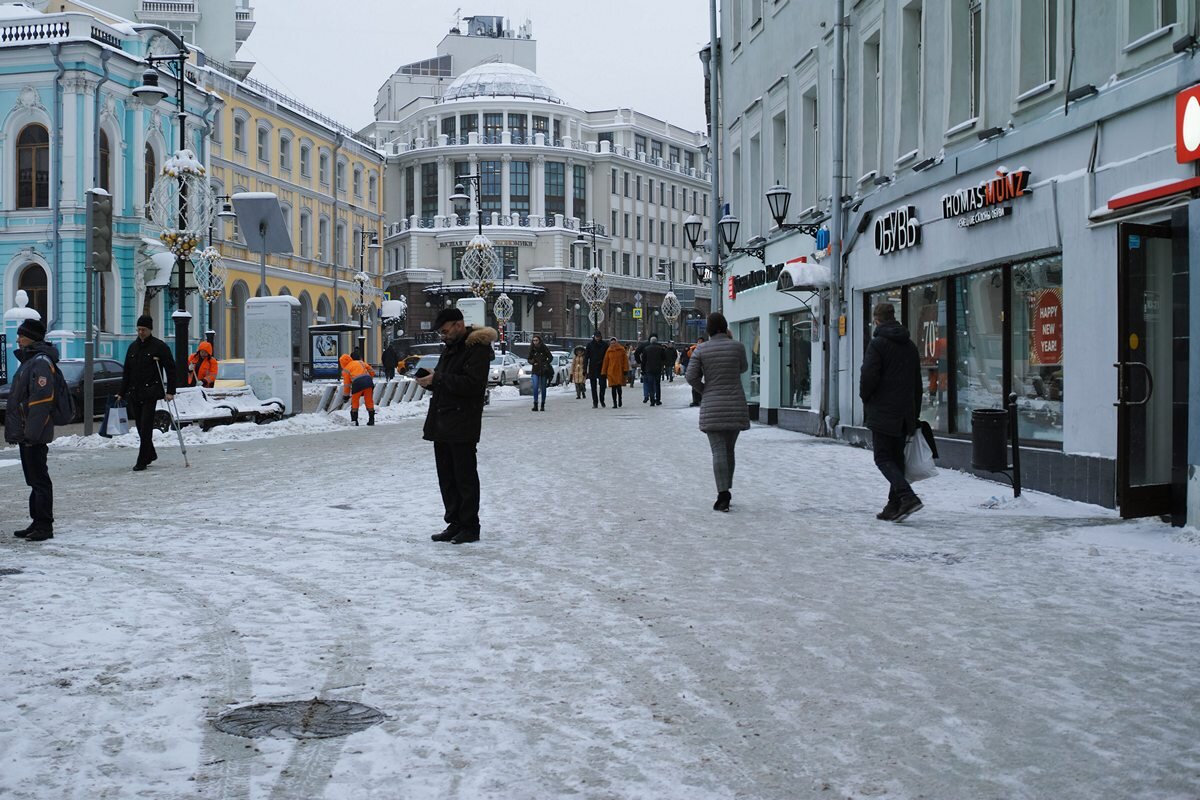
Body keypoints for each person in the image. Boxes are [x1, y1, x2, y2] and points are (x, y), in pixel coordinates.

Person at [416, 307, 496, 544]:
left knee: (464, 477)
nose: (443, 335)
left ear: (459, 324)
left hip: (462, 423)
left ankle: (470, 525)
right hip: (442, 423)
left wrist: (438, 378)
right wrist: (431, 380)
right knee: (447, 477)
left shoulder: (477, 349)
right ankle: (455, 522)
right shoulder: (451, 348)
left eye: (445, 330)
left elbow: (473, 385)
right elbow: (448, 381)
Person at [859, 301, 924, 522]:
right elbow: (917, 383)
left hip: (883, 411)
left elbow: (868, 377)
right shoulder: (910, 345)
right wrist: (914, 413)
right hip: (904, 412)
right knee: (896, 460)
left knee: (882, 457)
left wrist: (866, 399)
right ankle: (893, 505)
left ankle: (907, 497)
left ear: (876, 319)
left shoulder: (877, 344)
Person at [686, 313, 749, 512]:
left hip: (713, 405)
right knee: (729, 449)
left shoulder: (701, 349)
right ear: (725, 327)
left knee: (718, 451)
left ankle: (723, 494)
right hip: (735, 404)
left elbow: (690, 376)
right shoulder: (737, 347)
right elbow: (744, 367)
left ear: (708, 329)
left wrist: (705, 390)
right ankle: (727, 489)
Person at [5, 318, 57, 541]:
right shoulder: (31, 361)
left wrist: (31, 433)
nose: (17, 340)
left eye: (21, 335)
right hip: (28, 432)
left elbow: (41, 401)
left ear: (32, 338)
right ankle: (37, 521)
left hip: (34, 433)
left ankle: (44, 526)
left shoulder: (40, 362)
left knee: (39, 478)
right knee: (33, 479)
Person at [117, 315, 175, 472]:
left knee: (146, 425)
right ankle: (151, 453)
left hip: (151, 392)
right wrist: (121, 392)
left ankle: (142, 460)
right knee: (139, 426)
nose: (141, 332)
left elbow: (170, 369)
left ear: (150, 330)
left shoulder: (159, 347)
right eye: (139, 329)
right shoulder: (132, 348)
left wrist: (170, 391)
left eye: (143, 330)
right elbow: (127, 372)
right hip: (135, 393)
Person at [340, 350, 376, 426]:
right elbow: (371, 371)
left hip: (357, 384)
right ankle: (371, 420)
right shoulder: (360, 362)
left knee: (355, 401)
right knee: (369, 401)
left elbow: (347, 385)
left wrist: (346, 396)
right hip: (368, 381)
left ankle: (354, 421)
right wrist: (369, 378)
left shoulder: (346, 369)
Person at [526, 334, 554, 412]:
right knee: (535, 387)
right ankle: (535, 404)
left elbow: (551, 357)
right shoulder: (532, 349)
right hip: (535, 370)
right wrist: (532, 362)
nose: (535, 342)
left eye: (536, 340)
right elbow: (529, 358)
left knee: (543, 388)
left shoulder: (544, 348)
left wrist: (546, 363)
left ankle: (542, 404)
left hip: (543, 370)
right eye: (533, 340)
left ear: (539, 341)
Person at [638, 334, 667, 406]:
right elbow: (664, 358)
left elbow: (644, 361)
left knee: (650, 384)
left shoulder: (646, 349)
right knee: (657, 384)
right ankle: (658, 400)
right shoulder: (660, 348)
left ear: (650, 342)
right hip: (657, 369)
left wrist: (643, 369)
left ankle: (652, 400)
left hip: (649, 369)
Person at [582, 330, 608, 408]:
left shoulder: (604, 345)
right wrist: (584, 369)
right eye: (596, 337)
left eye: (599, 337)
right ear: (594, 337)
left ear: (601, 337)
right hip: (593, 367)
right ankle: (595, 402)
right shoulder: (590, 345)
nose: (597, 338)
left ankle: (602, 400)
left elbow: (607, 357)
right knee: (593, 386)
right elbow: (586, 358)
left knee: (603, 385)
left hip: (602, 367)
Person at [601, 336, 627, 408]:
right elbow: (605, 362)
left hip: (619, 371)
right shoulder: (608, 351)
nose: (612, 344)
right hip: (611, 372)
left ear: (616, 342)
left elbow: (625, 361)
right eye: (611, 343)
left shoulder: (621, 350)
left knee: (619, 387)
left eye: (614, 343)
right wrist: (603, 372)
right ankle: (614, 403)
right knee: (613, 388)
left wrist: (625, 369)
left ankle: (620, 399)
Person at [686, 337, 706, 406]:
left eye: (701, 341)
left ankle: (700, 399)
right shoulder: (694, 348)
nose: (699, 343)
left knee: (701, 384)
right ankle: (695, 400)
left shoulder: (705, 349)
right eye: (698, 341)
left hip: (702, 369)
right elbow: (689, 355)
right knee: (695, 385)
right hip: (696, 369)